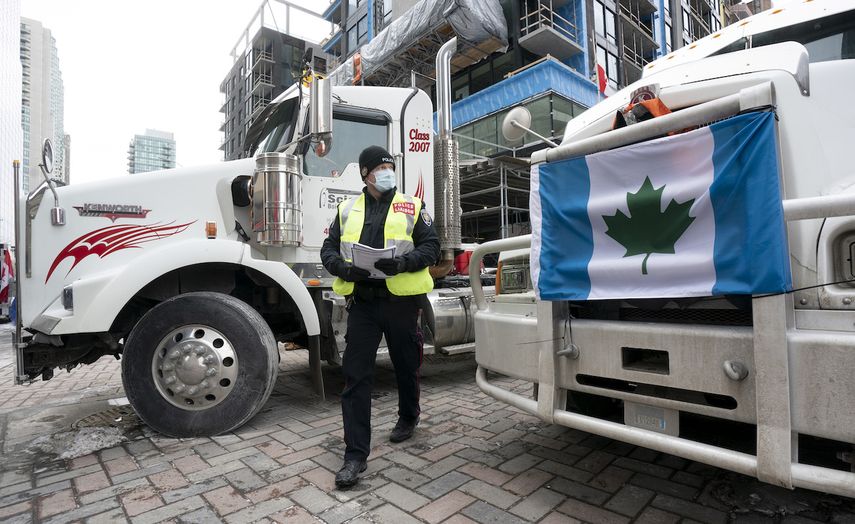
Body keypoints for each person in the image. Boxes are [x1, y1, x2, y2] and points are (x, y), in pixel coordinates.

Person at [321, 145, 440, 489]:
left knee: (406, 366)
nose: (387, 171)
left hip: (401, 302)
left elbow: (431, 247)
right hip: (363, 304)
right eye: (380, 167)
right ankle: (355, 455)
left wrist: (404, 263)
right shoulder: (346, 209)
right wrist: (342, 267)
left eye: (390, 165)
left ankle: (408, 416)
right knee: (356, 376)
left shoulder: (411, 205)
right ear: (365, 173)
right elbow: (328, 249)